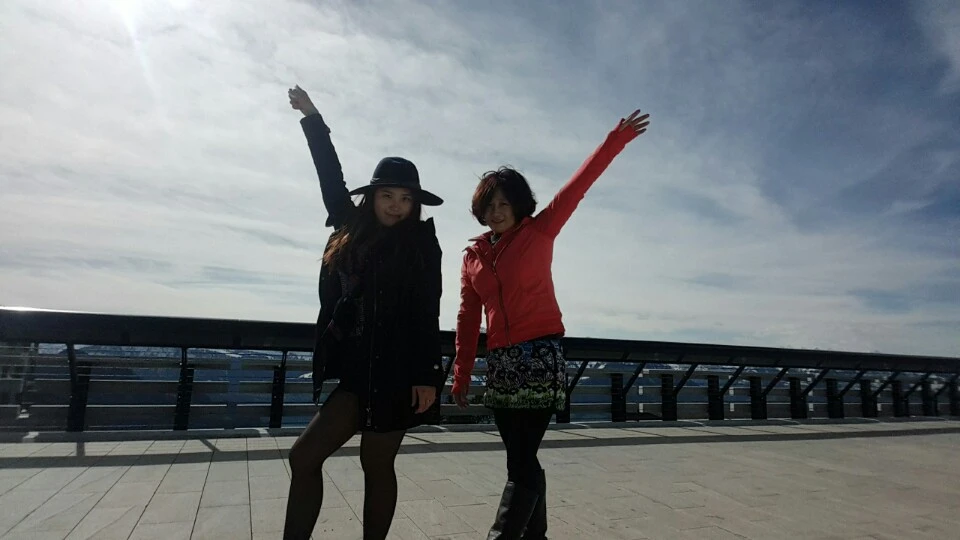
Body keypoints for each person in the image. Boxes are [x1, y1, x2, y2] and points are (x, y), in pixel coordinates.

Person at [452, 109, 651, 539]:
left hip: (541, 356)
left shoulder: (539, 232)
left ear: (519, 205)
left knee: (522, 457)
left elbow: (578, 186)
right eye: (489, 205)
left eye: (504, 203)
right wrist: (462, 371)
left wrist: (614, 140)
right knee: (519, 459)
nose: (496, 211)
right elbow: (467, 318)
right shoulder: (472, 257)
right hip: (501, 363)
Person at [283, 85, 445, 540]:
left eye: (406, 198)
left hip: (397, 374)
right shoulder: (350, 226)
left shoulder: (421, 245)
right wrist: (312, 118)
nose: (396, 206)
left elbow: (427, 311)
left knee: (376, 465)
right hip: (357, 374)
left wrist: (427, 376)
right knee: (304, 456)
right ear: (372, 197)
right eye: (388, 195)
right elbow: (329, 176)